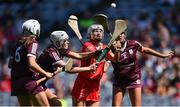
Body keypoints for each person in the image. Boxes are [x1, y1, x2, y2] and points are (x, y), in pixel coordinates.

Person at [111, 20, 174, 106]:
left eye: (122, 33)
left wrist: (162, 56)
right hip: (119, 79)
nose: (121, 35)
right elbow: (116, 60)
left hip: (133, 78)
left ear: (125, 34)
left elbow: (145, 49)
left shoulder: (133, 44)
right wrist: (117, 50)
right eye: (119, 34)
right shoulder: (110, 48)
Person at [36, 30, 99, 106]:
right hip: (35, 83)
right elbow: (68, 69)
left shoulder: (61, 50)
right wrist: (88, 68)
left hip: (40, 84)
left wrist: (93, 53)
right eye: (65, 40)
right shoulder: (52, 52)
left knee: (57, 104)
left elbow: (79, 56)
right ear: (58, 42)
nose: (68, 42)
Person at [71, 24, 120, 106]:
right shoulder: (87, 45)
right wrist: (107, 50)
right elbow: (96, 53)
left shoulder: (105, 47)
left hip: (95, 85)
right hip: (82, 83)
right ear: (90, 34)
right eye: (96, 31)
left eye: (101, 31)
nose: (99, 33)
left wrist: (118, 50)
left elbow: (115, 59)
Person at [9, 19, 54, 106]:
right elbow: (31, 64)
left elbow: (10, 64)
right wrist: (45, 73)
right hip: (29, 82)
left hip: (16, 83)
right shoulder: (33, 42)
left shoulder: (17, 44)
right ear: (36, 30)